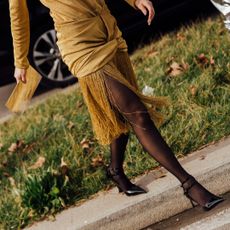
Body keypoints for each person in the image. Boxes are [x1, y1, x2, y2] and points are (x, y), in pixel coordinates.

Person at [9, 0, 224, 211]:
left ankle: (115, 170)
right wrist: (20, 62)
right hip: (80, 48)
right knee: (137, 114)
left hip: (109, 33)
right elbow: (18, 16)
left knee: (118, 115)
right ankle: (189, 185)